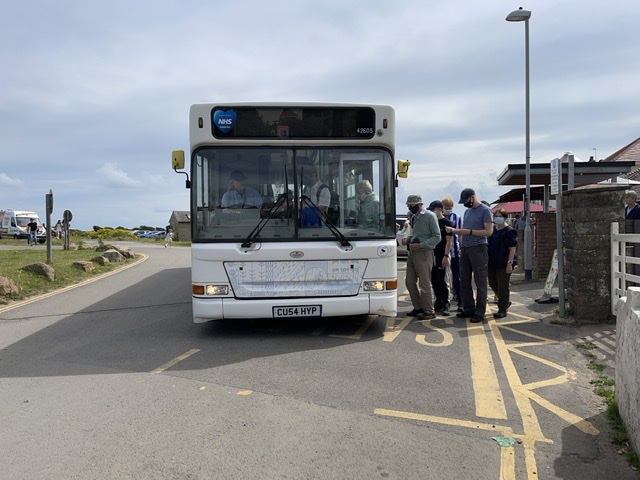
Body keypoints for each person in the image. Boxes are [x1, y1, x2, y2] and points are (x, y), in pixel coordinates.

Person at [445, 188, 493, 323]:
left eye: (466, 200)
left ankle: (480, 311)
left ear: (472, 197)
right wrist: (460, 233)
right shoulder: (467, 212)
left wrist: (469, 232)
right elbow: (464, 231)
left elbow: (488, 232)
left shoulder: (485, 210)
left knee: (480, 281)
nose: (465, 204)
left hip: (479, 247)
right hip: (465, 248)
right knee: (464, 280)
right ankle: (469, 308)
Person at [402, 194, 441, 321]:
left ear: (419, 204)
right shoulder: (414, 217)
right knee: (409, 281)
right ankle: (418, 307)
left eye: (411, 205)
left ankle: (429, 311)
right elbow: (417, 234)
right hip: (413, 252)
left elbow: (437, 237)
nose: (409, 207)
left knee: (424, 283)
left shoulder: (430, 216)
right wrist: (409, 239)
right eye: (408, 205)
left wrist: (421, 245)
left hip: (424, 252)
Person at [488, 208, 518, 319]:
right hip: (492, 262)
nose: (497, 218)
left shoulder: (509, 231)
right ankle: (505, 301)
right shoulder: (493, 230)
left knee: (503, 286)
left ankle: (502, 309)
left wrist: (509, 263)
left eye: (500, 216)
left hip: (504, 263)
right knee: (492, 283)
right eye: (496, 216)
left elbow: (512, 248)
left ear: (505, 218)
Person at [429, 200, 453, 316]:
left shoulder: (447, 222)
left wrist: (446, 255)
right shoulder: (431, 222)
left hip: (442, 254)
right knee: (434, 280)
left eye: (433, 209)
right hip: (432, 254)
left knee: (444, 280)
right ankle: (438, 301)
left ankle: (446, 303)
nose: (432, 212)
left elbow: (449, 241)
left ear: (440, 209)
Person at [442, 195, 462, 311]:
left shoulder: (457, 218)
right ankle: (445, 301)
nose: (448, 209)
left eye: (449, 207)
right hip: (443, 252)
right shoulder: (439, 218)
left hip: (455, 251)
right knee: (445, 278)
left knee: (457, 277)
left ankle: (460, 300)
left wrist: (461, 248)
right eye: (446, 207)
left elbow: (460, 234)